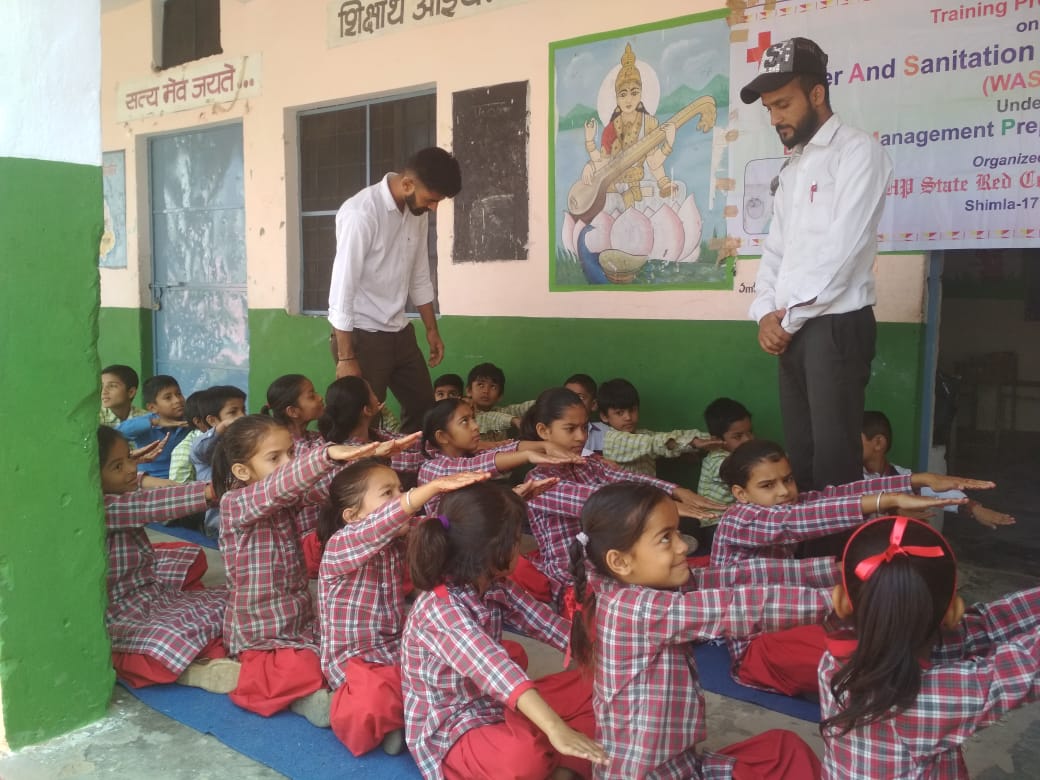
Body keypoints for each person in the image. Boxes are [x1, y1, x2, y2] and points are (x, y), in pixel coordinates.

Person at [567, 482, 827, 778]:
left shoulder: (626, 583)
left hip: (681, 765)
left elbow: (735, 577)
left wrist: (828, 571)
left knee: (783, 749)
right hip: (648, 775)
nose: (682, 545)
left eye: (677, 531)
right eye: (665, 538)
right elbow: (734, 607)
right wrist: (829, 601)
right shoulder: (634, 608)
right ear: (621, 561)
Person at [710, 439, 991, 696]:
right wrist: (889, 501)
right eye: (768, 485)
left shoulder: (781, 506)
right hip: (757, 648)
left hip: (788, 620)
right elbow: (798, 519)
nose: (784, 491)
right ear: (741, 493)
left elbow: (836, 496)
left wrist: (918, 480)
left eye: (788, 479)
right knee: (874, 656)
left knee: (885, 634)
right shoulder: (739, 519)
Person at [742, 37, 894, 492]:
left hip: (834, 326)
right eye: (769, 109)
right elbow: (776, 251)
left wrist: (788, 318)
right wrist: (764, 312)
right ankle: (803, 561)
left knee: (834, 459)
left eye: (783, 104)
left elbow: (842, 252)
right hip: (793, 328)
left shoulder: (857, 153)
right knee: (801, 457)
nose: (776, 119)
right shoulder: (794, 168)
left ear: (817, 94)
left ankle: (835, 560)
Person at [400, 482, 608, 779]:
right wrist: (554, 727)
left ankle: (563, 765)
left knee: (595, 686)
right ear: (492, 551)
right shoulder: (438, 610)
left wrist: (611, 656)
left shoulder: (497, 586)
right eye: (514, 540)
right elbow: (497, 669)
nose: (520, 547)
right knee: (523, 758)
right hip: (456, 727)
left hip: (495, 703)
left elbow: (551, 627)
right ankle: (559, 759)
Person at [820, 515, 1040, 778]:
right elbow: (1025, 666)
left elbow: (984, 628)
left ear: (841, 601)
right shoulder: (929, 700)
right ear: (953, 613)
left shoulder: (830, 665)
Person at [212, 414, 395, 724]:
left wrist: (370, 463)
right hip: (260, 632)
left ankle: (348, 704)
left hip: (300, 621)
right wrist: (325, 455)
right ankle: (307, 700)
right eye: (275, 457)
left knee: (350, 653)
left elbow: (324, 487)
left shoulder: (287, 497)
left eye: (291, 453)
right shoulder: (236, 503)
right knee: (301, 667)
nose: (288, 463)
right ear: (242, 471)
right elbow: (281, 486)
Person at [317, 459, 490, 756]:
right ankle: (337, 704)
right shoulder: (340, 546)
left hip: (397, 650)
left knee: (479, 660)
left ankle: (401, 721)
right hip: (355, 665)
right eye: (388, 493)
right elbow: (382, 522)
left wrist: (508, 501)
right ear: (353, 516)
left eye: (401, 489)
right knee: (375, 696)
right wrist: (432, 488)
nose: (400, 498)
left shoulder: (400, 537)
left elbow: (447, 527)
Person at [516, 387, 725, 604]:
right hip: (572, 581)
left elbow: (627, 478)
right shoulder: (538, 481)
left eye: (584, 428)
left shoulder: (588, 464)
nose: (580, 437)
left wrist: (677, 491)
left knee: (686, 578)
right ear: (543, 431)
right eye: (570, 429)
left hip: (608, 568)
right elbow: (601, 501)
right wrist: (662, 503)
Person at [328, 147, 461, 433]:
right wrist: (346, 357)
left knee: (423, 409)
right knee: (362, 420)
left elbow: (419, 274)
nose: (434, 207)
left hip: (400, 333)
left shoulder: (417, 211)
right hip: (363, 337)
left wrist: (431, 330)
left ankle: (410, 470)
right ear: (407, 184)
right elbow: (342, 289)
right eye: (432, 200)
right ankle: (363, 477)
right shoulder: (361, 213)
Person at [97, 427, 238, 693]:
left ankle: (197, 654)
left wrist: (129, 466)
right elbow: (151, 504)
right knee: (163, 641)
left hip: (148, 587)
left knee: (227, 593)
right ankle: (192, 671)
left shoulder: (119, 489)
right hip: (121, 607)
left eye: (130, 457)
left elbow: (143, 485)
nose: (130, 469)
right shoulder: (103, 508)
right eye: (118, 465)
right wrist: (210, 492)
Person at [417, 397, 580, 515]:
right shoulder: (432, 469)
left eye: (473, 418)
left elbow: (507, 448)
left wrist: (545, 446)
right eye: (465, 421)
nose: (475, 426)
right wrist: (528, 455)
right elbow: (474, 466)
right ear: (442, 437)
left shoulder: (470, 454)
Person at [861, 410, 1015, 530]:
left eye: (854, 438)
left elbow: (935, 491)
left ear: (878, 443)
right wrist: (893, 512)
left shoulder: (897, 475)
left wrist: (973, 508)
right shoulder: (848, 476)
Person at [597, 378, 720, 477]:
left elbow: (667, 436)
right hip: (627, 503)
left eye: (632, 410)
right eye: (619, 413)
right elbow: (654, 443)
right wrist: (694, 442)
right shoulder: (612, 440)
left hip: (647, 496)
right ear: (604, 416)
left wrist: (711, 438)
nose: (628, 417)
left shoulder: (641, 434)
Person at [186, 385, 248, 537]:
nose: (241, 416)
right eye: (233, 412)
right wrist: (222, 427)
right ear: (213, 420)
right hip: (219, 525)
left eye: (243, 410)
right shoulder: (203, 446)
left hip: (246, 518)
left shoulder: (242, 442)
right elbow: (200, 449)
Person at [116, 374, 189, 479]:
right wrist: (155, 422)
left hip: (185, 480)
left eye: (179, 394)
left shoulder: (190, 420)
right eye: (168, 398)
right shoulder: (147, 422)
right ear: (152, 407)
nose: (177, 400)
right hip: (150, 481)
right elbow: (116, 434)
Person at [697, 397, 754, 506]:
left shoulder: (740, 454)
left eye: (750, 432)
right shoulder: (716, 459)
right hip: (715, 520)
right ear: (717, 440)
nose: (748, 439)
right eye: (738, 436)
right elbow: (743, 473)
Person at [465, 362, 534, 441]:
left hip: (503, 452)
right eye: (480, 385)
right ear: (469, 391)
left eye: (493, 387)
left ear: (500, 396)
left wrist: (543, 402)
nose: (486, 391)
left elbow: (520, 408)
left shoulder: (501, 411)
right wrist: (513, 420)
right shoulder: (468, 415)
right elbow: (489, 418)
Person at [260, 374, 325, 452]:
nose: (320, 398)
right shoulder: (290, 448)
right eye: (312, 396)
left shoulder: (314, 437)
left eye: (316, 393)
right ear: (293, 411)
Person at [563, 373, 604, 456]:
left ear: (593, 405)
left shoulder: (606, 433)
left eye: (580, 397)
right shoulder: (555, 431)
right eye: (567, 396)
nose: (572, 402)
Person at [99, 364, 149, 429]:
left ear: (131, 392)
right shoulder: (95, 419)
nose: (104, 391)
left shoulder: (145, 418)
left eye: (112, 386)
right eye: (101, 386)